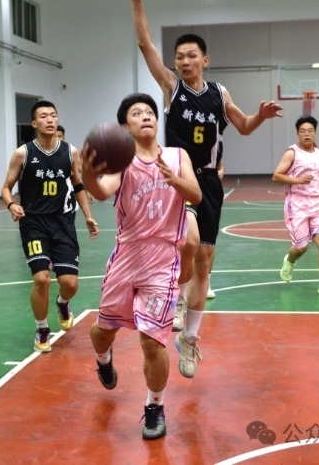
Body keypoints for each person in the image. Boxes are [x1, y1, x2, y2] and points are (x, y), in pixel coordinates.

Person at [127, 0, 283, 379]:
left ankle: (191, 340)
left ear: (205, 59)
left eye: (191, 56)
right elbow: (144, 44)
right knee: (189, 241)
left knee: (206, 261)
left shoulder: (219, 92)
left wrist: (262, 116)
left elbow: (243, 126)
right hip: (179, 178)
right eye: (178, 56)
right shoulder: (171, 87)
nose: (183, 61)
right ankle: (176, 299)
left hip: (210, 180)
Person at [82, 93, 202, 440]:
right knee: (103, 331)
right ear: (125, 126)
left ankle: (155, 407)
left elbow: (196, 195)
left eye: (150, 111)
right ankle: (104, 360)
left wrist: (174, 180)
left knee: (152, 342)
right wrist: (87, 174)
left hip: (163, 260)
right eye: (137, 113)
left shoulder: (177, 156)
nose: (146, 116)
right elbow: (101, 191)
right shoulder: (122, 161)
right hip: (127, 257)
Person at [1, 101, 99, 353]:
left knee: (70, 284)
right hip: (33, 222)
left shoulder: (70, 152)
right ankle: (42, 328)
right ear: (34, 123)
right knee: (41, 279)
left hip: (63, 222)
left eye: (53, 115)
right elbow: (6, 188)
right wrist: (11, 205)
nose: (50, 119)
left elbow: (78, 185)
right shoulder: (23, 154)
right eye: (43, 116)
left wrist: (88, 216)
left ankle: (63, 303)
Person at [274, 116, 319, 297]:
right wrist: (299, 180)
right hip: (297, 204)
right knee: (301, 248)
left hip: (317, 203)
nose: (307, 134)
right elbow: (276, 176)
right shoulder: (292, 153)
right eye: (302, 131)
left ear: (315, 133)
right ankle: (290, 260)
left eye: (310, 131)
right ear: (298, 134)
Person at [56, 125, 94, 204]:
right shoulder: (43, 153)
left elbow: (82, 172)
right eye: (54, 136)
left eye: (59, 136)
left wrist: (88, 191)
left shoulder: (71, 152)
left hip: (67, 194)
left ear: (63, 138)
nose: (57, 139)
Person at [205, 159, 224, 300]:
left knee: (208, 242)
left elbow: (220, 165)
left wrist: (220, 170)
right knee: (189, 241)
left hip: (209, 187)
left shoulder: (213, 148)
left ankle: (206, 283)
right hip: (188, 184)